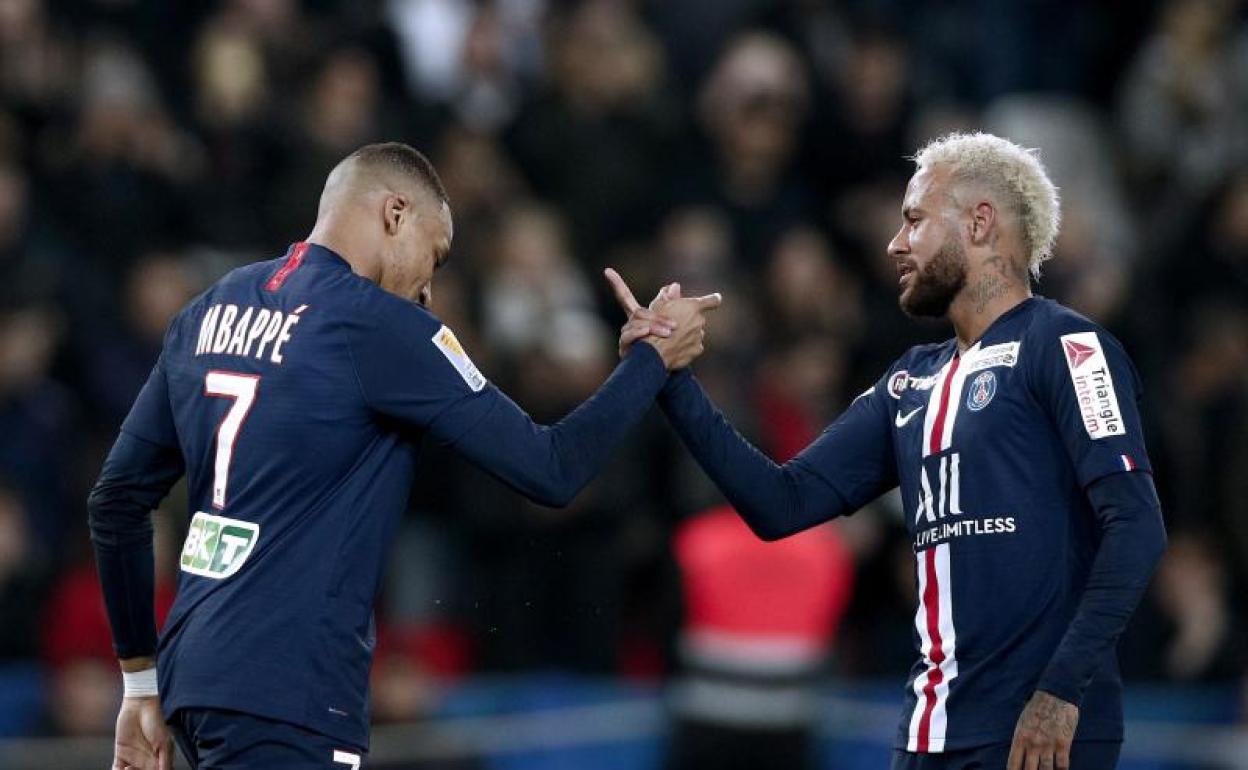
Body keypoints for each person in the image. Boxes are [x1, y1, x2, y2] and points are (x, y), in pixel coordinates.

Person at [88, 141, 721, 770]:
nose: (427, 287)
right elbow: (551, 469)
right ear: (396, 214)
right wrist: (651, 362)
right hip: (292, 690)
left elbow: (116, 501)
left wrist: (139, 681)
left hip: (193, 678)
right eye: (435, 254)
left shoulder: (208, 309)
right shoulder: (380, 327)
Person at [611, 132, 1167, 770]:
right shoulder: (910, 380)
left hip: (1039, 736)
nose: (895, 244)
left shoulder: (1067, 347)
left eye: (914, 221)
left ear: (980, 223)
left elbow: (1137, 524)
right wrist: (671, 378)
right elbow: (780, 503)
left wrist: (1061, 692)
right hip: (928, 733)